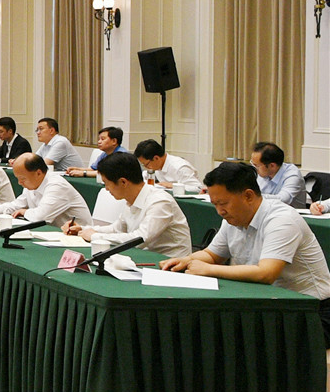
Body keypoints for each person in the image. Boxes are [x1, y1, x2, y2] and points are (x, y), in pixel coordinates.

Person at [162, 162, 330, 334]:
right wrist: (186, 260)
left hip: (311, 312)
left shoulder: (282, 219)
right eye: (215, 204)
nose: (219, 211)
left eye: (223, 203)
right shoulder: (233, 219)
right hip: (269, 305)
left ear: (248, 196)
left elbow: (266, 273)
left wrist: (208, 269)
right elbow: (212, 255)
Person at [64, 152, 191, 258]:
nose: (106, 189)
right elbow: (117, 229)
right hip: (144, 258)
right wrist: (83, 229)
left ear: (123, 182)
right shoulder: (131, 199)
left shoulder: (160, 201)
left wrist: (94, 236)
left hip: (169, 264)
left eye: (107, 183)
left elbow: (140, 239)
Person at [0, 152, 91, 228]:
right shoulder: (32, 184)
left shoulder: (57, 185)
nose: (19, 183)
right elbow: (18, 204)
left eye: (22, 179)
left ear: (38, 173)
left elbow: (41, 217)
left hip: (77, 237)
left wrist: (24, 212)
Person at [133, 139, 202, 194]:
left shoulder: (180, 167)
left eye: (147, 164)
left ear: (156, 158)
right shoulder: (157, 166)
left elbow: (198, 188)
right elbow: (144, 175)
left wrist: (172, 185)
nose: (146, 167)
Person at [251, 141, 307, 208]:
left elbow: (284, 199)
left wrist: (255, 197)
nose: (254, 168)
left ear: (272, 166)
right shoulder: (263, 173)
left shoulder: (293, 175)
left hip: (289, 212)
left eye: (256, 166)